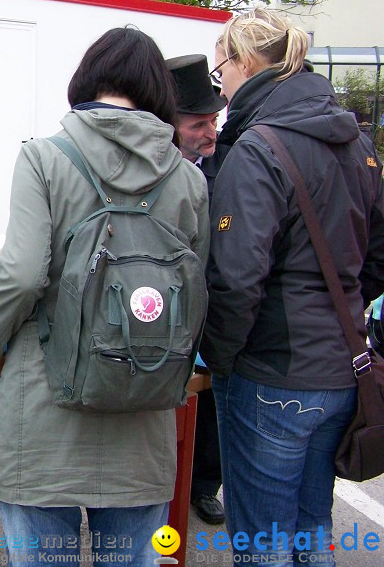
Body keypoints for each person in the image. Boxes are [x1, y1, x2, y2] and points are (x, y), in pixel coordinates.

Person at [0, 28, 209, 566]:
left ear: (86, 81)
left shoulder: (45, 158)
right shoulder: (188, 180)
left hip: (44, 404)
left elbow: (23, 276)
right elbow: (197, 293)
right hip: (143, 411)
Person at [201, 8, 384, 564]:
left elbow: (236, 278)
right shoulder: (358, 142)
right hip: (343, 365)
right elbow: (376, 256)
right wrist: (342, 305)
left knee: (263, 544)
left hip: (272, 372)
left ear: (244, 62)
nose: (221, 86)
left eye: (219, 72)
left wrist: (221, 357)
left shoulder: (260, 147)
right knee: (311, 529)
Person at [166, 53, 228, 527]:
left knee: (206, 411)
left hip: (212, 305)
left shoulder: (226, 163)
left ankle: (203, 484)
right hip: (156, 312)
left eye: (214, 121)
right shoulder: (150, 167)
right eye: (198, 124)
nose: (210, 131)